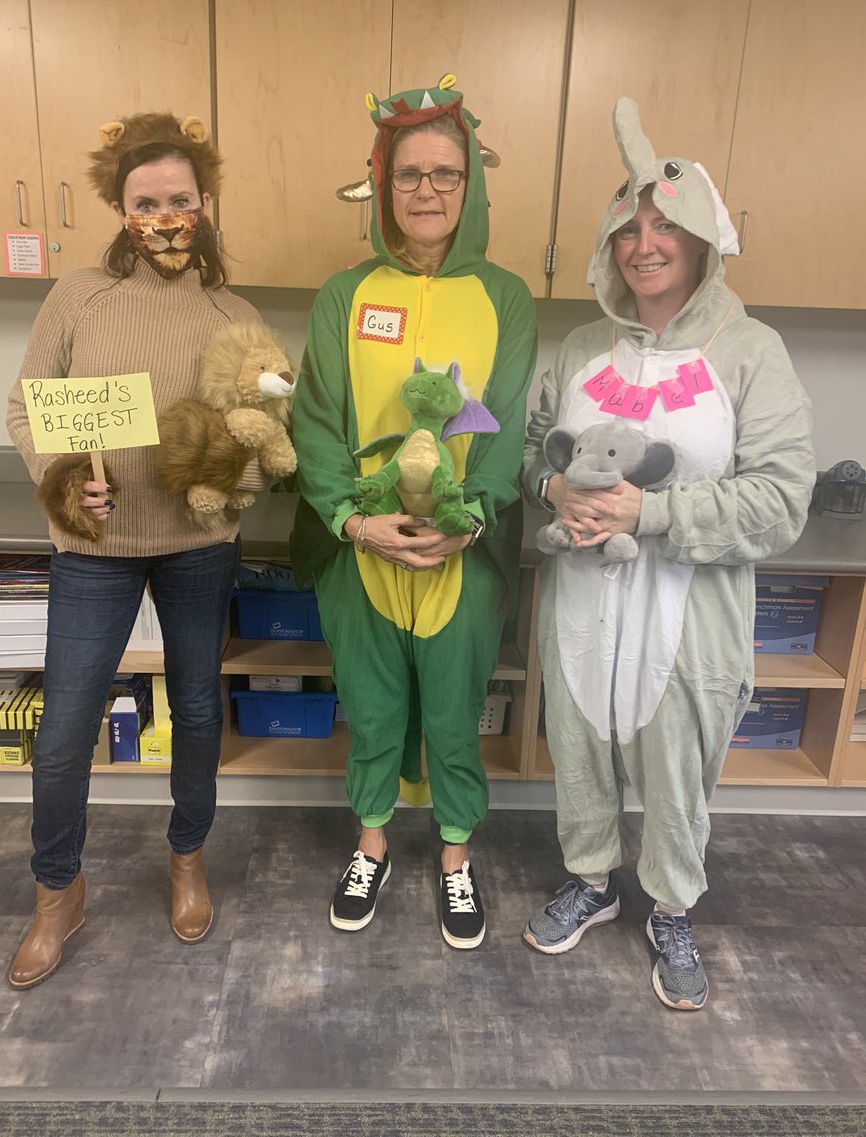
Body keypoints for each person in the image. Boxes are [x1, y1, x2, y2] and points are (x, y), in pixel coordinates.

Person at [522, 99, 815, 1008]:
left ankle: (672, 904)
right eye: (628, 229)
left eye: (664, 227)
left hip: (688, 612)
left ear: (700, 239)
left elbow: (781, 500)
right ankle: (593, 879)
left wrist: (650, 514)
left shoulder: (750, 353)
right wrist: (553, 491)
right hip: (579, 597)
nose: (644, 244)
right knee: (580, 745)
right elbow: (535, 450)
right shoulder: (578, 346)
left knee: (678, 760)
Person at [5, 112, 268, 989]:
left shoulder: (234, 315)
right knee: (64, 727)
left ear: (204, 204)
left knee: (197, 711)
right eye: (145, 201)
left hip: (199, 544)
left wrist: (239, 467)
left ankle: (187, 858)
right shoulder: (76, 297)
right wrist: (59, 475)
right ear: (120, 209)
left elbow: (260, 430)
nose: (164, 215)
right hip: (96, 546)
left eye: (180, 200)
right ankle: (57, 892)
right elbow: (25, 407)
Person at [291, 77, 537, 949]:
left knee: (454, 707)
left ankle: (456, 860)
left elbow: (506, 426)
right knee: (371, 703)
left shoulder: (506, 298)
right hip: (361, 548)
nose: (427, 192)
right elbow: (315, 420)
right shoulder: (344, 295)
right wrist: (354, 521)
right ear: (381, 185)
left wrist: (470, 519)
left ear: (471, 185)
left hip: (461, 550)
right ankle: (371, 846)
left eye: (445, 174)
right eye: (408, 175)